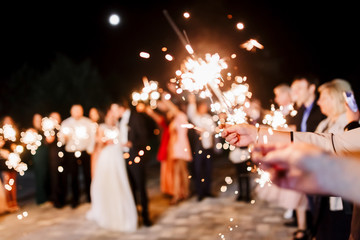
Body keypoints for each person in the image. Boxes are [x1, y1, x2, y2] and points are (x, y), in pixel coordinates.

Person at [87, 107, 137, 232]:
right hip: (107, 155)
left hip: (117, 155)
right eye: (110, 117)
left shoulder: (119, 127)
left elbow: (122, 140)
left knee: (120, 179)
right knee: (106, 180)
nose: (112, 119)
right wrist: (104, 140)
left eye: (113, 117)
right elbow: (98, 141)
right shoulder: (101, 127)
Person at [111, 100, 151, 226]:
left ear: (121, 108)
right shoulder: (120, 120)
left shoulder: (135, 118)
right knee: (130, 187)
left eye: (115, 110)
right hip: (124, 157)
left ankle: (145, 216)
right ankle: (134, 215)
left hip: (135, 156)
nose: (113, 113)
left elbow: (144, 136)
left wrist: (132, 144)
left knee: (140, 186)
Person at [59, 104, 95, 208]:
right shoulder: (66, 123)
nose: (77, 113)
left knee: (87, 175)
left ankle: (90, 197)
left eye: (79, 110)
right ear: (71, 112)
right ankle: (75, 199)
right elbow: (61, 140)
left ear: (82, 111)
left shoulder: (88, 122)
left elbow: (92, 137)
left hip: (85, 151)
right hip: (71, 152)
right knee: (73, 176)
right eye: (75, 111)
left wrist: (90, 149)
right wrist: (64, 137)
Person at [163, 96, 193, 205]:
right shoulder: (176, 119)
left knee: (180, 170)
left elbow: (173, 109)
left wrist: (166, 100)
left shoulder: (181, 116)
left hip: (181, 146)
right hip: (176, 148)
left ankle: (178, 194)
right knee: (181, 170)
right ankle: (184, 192)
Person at [187, 94, 216, 201]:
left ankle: (207, 191)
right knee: (198, 170)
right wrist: (192, 101)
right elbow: (191, 112)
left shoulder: (208, 117)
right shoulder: (196, 117)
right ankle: (200, 193)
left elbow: (213, 129)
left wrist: (205, 130)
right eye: (203, 106)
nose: (205, 108)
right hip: (199, 147)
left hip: (208, 147)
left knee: (208, 170)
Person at [143, 103, 173, 196]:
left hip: (170, 144)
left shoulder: (169, 119)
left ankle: (171, 189)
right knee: (166, 167)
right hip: (166, 142)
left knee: (170, 168)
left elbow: (159, 119)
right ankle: (168, 189)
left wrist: (151, 113)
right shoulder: (165, 120)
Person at [44, 112, 66, 208]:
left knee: (63, 178)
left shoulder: (63, 128)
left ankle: (63, 198)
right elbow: (47, 142)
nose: (56, 119)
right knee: (55, 179)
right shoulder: (49, 129)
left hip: (64, 156)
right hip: (54, 157)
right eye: (53, 117)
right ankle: (56, 200)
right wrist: (49, 139)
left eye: (57, 117)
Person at [0, 116, 20, 211]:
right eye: (6, 121)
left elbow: (18, 145)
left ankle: (14, 202)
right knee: (7, 182)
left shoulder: (14, 134)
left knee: (13, 182)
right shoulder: (1, 134)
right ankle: (8, 203)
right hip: (4, 161)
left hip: (13, 160)